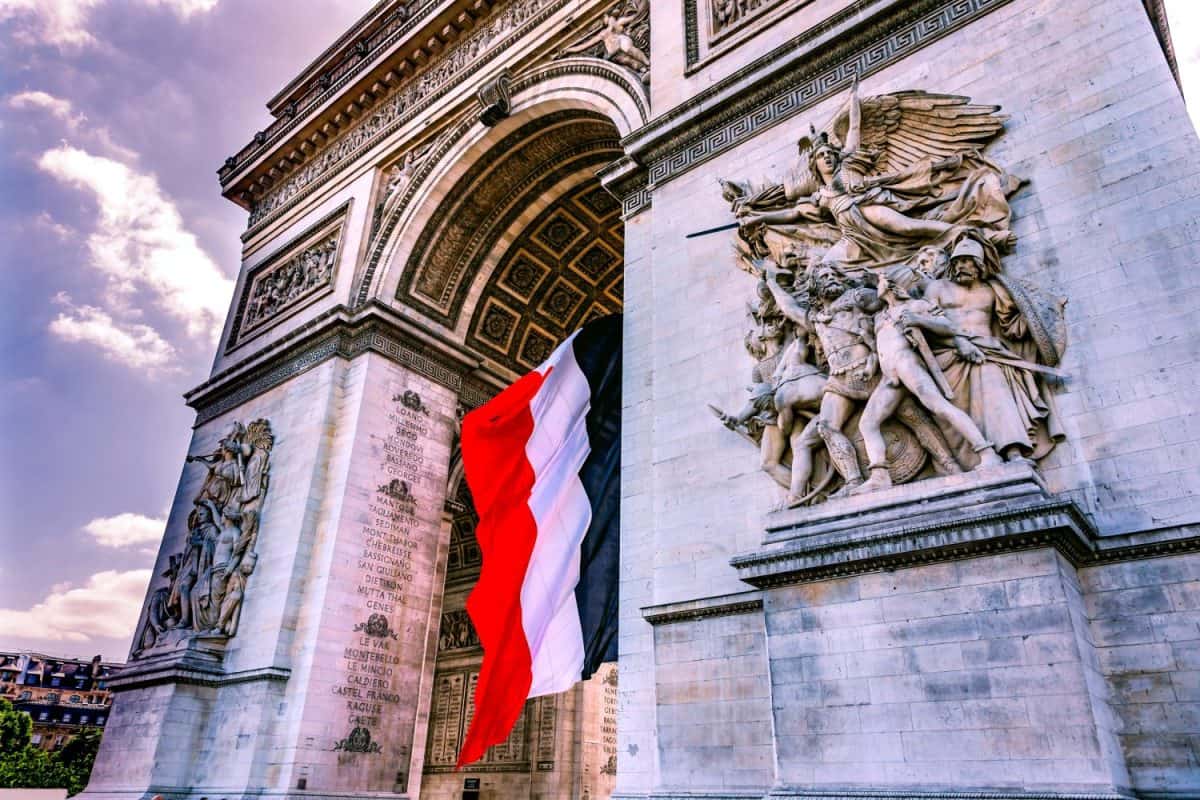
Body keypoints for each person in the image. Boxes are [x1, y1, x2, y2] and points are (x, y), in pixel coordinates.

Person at [853, 274, 1003, 494]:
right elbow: (878, 350)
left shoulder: (916, 305)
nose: (880, 280)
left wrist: (918, 320)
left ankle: (988, 453)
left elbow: (947, 325)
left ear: (895, 286)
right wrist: (869, 365)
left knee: (939, 407)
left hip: (907, 364)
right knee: (867, 423)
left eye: (883, 278)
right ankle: (879, 476)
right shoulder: (879, 317)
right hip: (889, 376)